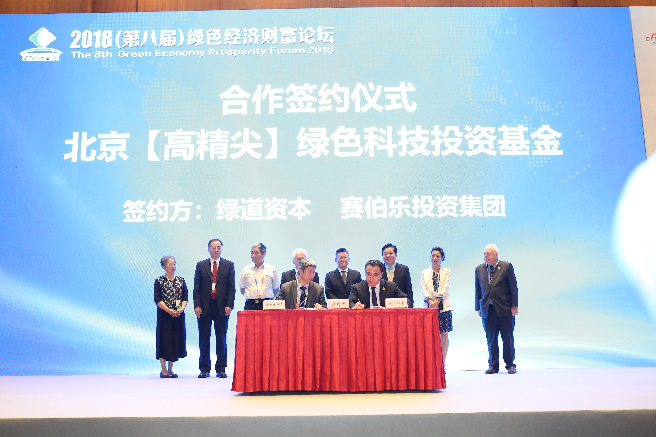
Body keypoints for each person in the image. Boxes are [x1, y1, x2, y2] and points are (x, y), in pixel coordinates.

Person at [193, 238, 235, 379]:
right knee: (204, 338)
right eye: (213, 247)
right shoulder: (201, 265)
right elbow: (197, 287)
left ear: (221, 249)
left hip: (222, 306)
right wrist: (197, 305)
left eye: (218, 247)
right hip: (205, 306)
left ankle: (221, 368)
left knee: (221, 337)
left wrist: (229, 304)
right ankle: (204, 368)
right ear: (208, 248)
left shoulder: (229, 265)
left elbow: (231, 287)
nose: (216, 249)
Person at [474, 244, 519, 374]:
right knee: (491, 338)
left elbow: (513, 287)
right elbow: (477, 289)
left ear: (496, 255)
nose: (485, 256)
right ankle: (493, 365)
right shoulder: (479, 269)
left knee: (507, 337)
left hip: (504, 308)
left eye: (488, 254)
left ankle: (510, 364)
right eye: (484, 254)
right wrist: (478, 307)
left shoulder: (506, 266)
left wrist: (514, 305)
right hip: (487, 309)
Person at [154, 256, 187, 378]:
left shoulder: (180, 280)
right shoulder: (159, 281)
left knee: (174, 340)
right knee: (164, 340)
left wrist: (180, 309)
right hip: (164, 316)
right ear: (164, 267)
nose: (173, 266)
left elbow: (184, 297)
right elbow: (157, 299)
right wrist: (168, 310)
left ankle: (171, 369)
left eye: (174, 264)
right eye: (170, 264)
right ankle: (163, 369)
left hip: (177, 315)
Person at [420, 247, 453, 364]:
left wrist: (437, 301)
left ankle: (442, 363)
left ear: (442, 258)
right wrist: (431, 302)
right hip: (429, 307)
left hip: (444, 307)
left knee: (444, 334)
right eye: (433, 255)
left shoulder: (447, 272)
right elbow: (424, 289)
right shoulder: (424, 273)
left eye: (437, 256)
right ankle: (432, 363)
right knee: (430, 335)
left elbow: (445, 287)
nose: (435, 258)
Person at [240, 243, 280, 310]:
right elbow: (242, 289)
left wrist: (268, 298)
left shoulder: (271, 269)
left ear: (263, 253)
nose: (253, 256)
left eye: (256, 253)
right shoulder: (246, 270)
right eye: (252, 253)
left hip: (267, 304)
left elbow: (276, 288)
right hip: (250, 304)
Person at [381, 243, 414, 307]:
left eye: (390, 253)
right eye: (385, 254)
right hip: (383, 306)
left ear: (396, 254)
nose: (388, 256)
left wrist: (410, 307)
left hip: (400, 305)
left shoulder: (404, 269)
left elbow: (408, 290)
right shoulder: (379, 270)